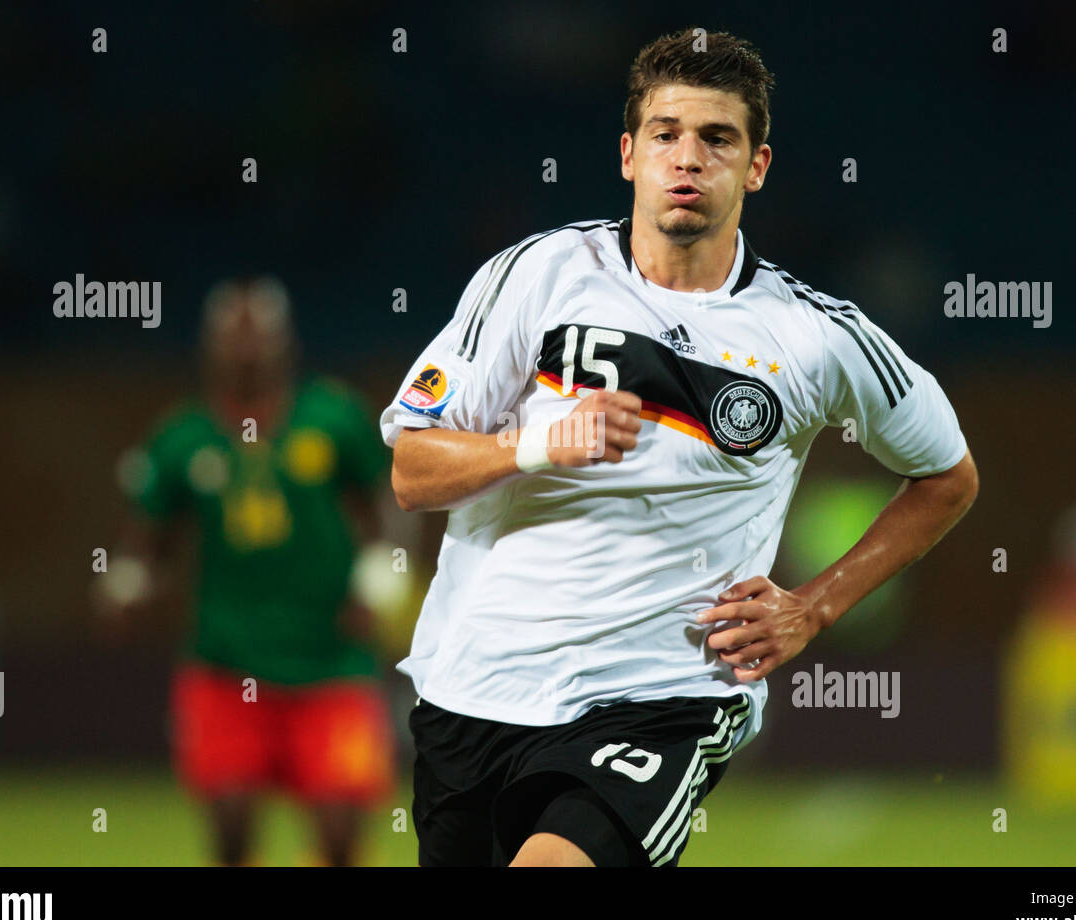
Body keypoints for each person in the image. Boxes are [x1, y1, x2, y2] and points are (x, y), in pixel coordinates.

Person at [382, 28, 979, 867]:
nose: (687, 158)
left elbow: (947, 476)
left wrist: (816, 606)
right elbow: (412, 469)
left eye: (716, 138)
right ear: (629, 154)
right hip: (476, 688)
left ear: (757, 166)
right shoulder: (537, 275)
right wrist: (534, 446)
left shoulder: (816, 336)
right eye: (665, 134)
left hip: (663, 696)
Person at [96, 276, 395, 866]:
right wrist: (126, 584)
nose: (247, 351)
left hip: (329, 659)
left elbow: (388, 501)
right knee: (231, 829)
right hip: (226, 661)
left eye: (258, 338)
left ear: (286, 344)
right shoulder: (183, 439)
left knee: (339, 835)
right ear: (210, 348)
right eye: (234, 339)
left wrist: (380, 572)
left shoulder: (332, 417)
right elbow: (145, 537)